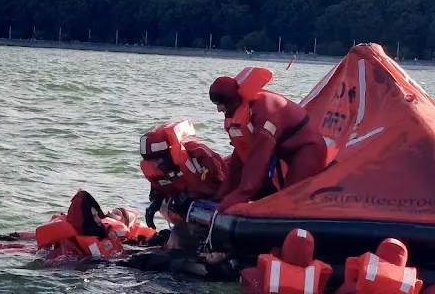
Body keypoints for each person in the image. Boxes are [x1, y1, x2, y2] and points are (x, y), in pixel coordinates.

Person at [208, 74, 328, 211]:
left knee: (289, 201)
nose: (219, 110)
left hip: (309, 149)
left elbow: (259, 158)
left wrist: (238, 196)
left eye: (219, 104)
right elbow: (239, 156)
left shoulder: (265, 111)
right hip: (285, 152)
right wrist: (222, 196)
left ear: (230, 101)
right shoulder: (246, 110)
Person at [139, 119, 226, 228]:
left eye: (158, 160)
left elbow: (219, 185)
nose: (155, 165)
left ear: (168, 153)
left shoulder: (199, 155)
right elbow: (159, 188)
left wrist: (187, 196)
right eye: (152, 162)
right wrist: (155, 204)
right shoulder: (155, 168)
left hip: (209, 200)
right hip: (186, 202)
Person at [34, 190, 127, 260]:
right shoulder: (65, 250)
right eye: (94, 216)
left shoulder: (104, 232)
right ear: (84, 220)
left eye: (98, 215)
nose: (99, 220)